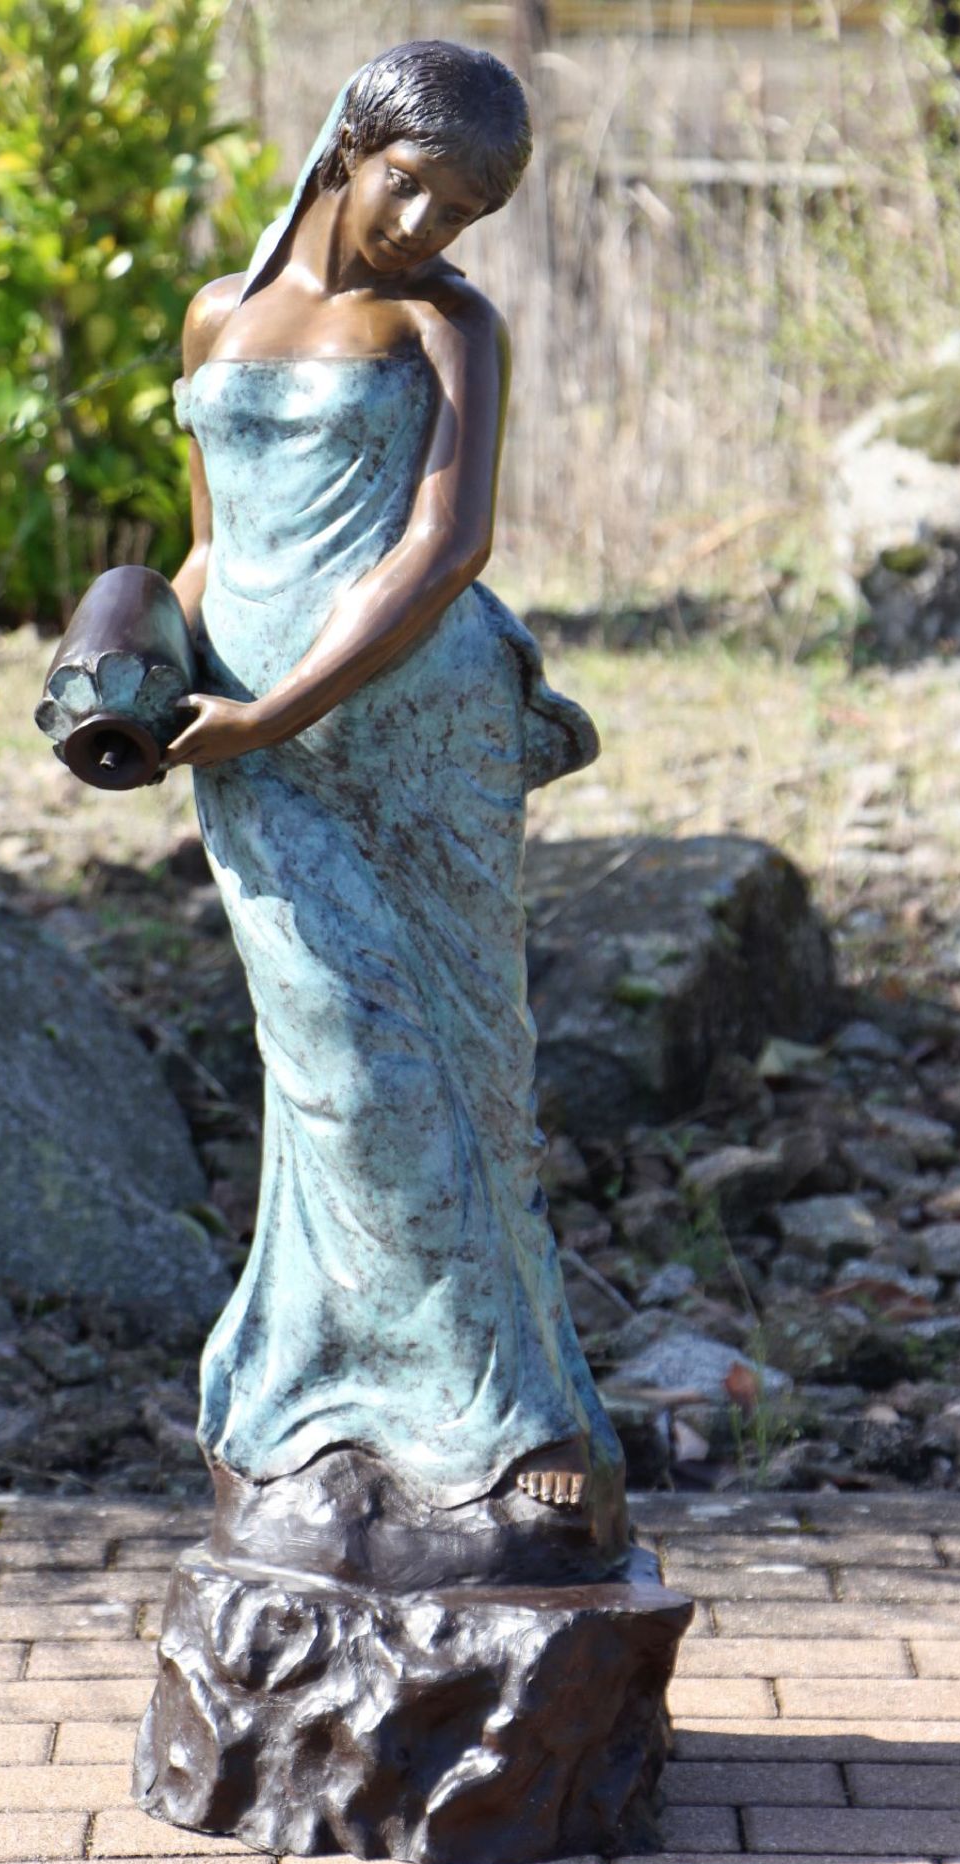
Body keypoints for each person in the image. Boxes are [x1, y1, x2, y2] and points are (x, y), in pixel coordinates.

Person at [161, 40, 626, 1566]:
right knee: (341, 1067)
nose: (429, 228)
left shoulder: (449, 330)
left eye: (465, 211)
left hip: (411, 746)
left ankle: (506, 1417)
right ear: (354, 142)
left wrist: (276, 710)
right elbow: (212, 556)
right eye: (414, 184)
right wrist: (122, 671)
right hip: (253, 753)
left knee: (464, 1067)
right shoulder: (219, 320)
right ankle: (341, 1398)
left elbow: (446, 550)